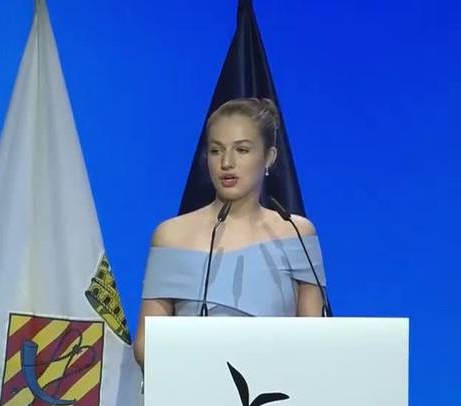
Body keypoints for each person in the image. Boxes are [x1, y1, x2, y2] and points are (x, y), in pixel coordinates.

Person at [133, 97, 327, 368]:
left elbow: (318, 340)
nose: (227, 162)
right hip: (192, 391)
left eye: (242, 150)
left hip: (277, 396)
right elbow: (144, 345)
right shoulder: (170, 236)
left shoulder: (296, 234)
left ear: (269, 157)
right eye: (216, 150)